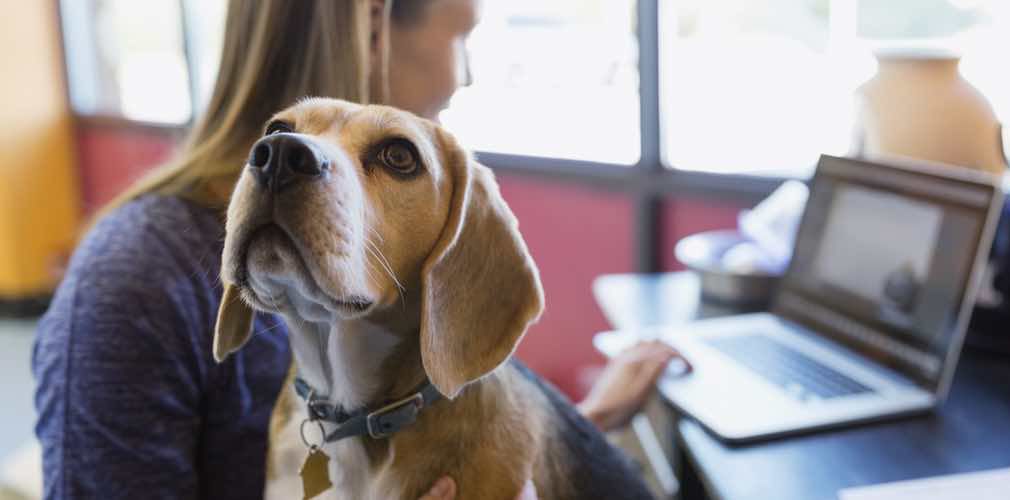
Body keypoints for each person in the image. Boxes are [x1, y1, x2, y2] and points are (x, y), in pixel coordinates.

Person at [32, 1, 684, 499]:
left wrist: (569, 438)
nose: (467, 74)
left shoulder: (357, 350)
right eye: (464, 39)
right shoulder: (128, 284)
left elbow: (472, 441)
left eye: (393, 156)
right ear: (370, 21)